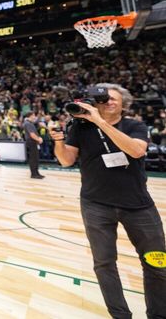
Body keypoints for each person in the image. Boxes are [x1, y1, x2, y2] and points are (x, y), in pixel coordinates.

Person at [50, 84, 166, 318]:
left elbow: (136, 151)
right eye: (105, 100)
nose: (110, 102)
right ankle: (120, 315)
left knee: (157, 263)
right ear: (97, 104)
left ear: (124, 104)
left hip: (137, 205)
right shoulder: (80, 128)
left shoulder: (135, 125)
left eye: (115, 99)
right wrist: (59, 141)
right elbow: (66, 161)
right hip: (95, 204)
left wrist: (100, 122)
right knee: (104, 264)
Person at [23, 112, 44, 178]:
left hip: (32, 142)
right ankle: (34, 174)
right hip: (31, 142)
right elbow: (32, 134)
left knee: (35, 158)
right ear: (30, 116)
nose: (34, 117)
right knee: (33, 158)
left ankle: (36, 173)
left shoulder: (29, 123)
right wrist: (39, 139)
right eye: (34, 115)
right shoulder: (28, 123)